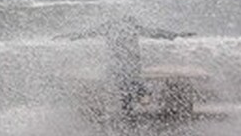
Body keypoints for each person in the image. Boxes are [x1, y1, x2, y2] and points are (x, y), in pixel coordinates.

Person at [61, 15, 193, 116]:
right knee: (126, 84)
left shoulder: (111, 27)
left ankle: (135, 102)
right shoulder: (130, 27)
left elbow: (88, 33)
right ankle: (138, 98)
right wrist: (175, 35)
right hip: (126, 65)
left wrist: (72, 36)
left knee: (124, 84)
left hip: (122, 65)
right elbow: (156, 33)